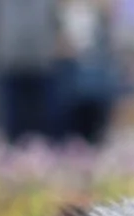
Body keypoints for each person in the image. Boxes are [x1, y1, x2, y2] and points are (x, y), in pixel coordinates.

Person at [0, 0, 62, 142]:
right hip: (9, 64)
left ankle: (43, 155)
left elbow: (55, 24)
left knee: (43, 121)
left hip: (41, 65)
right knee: (11, 121)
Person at [53, 0, 119, 144]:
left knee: (93, 131)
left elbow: (107, 49)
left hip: (95, 85)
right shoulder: (60, 13)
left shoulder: (99, 15)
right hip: (69, 83)